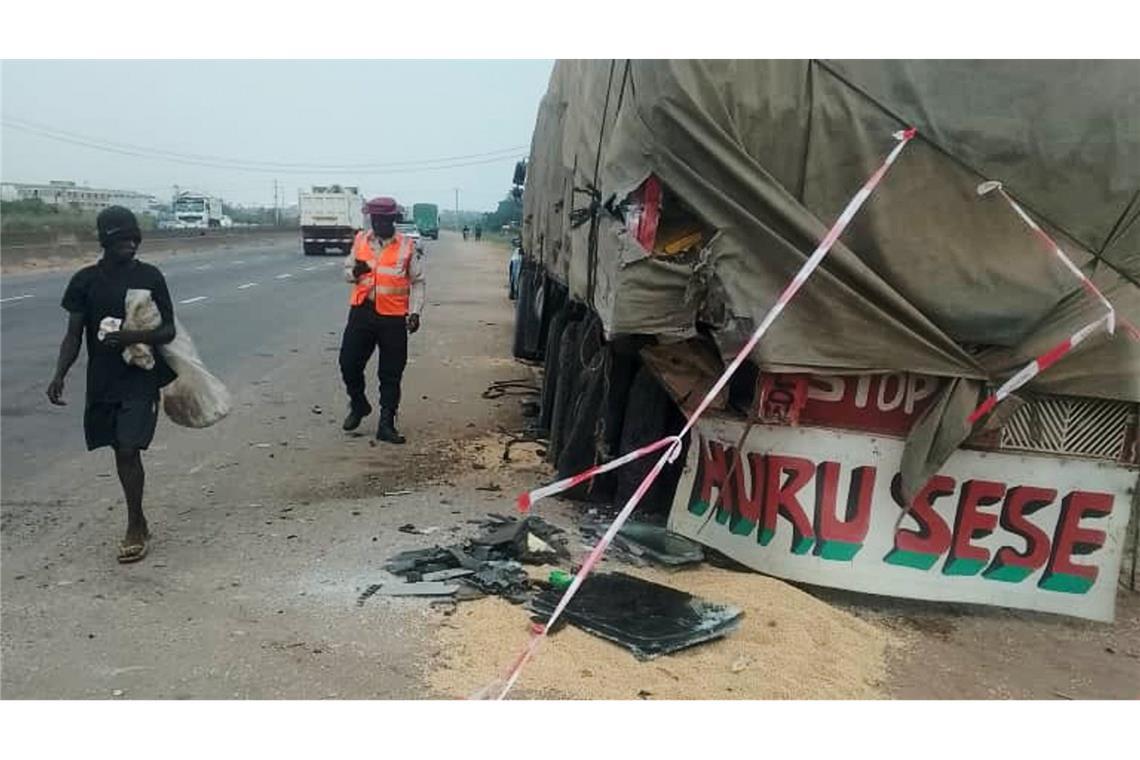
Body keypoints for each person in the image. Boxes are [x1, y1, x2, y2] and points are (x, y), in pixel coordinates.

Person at [47, 206, 177, 563]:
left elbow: (168, 330)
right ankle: (140, 520)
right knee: (118, 448)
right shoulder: (84, 281)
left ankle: (134, 525)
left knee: (128, 448)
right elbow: (73, 335)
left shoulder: (150, 276)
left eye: (135, 239)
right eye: (123, 240)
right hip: (103, 380)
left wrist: (132, 337)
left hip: (141, 376)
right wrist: (60, 373)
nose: (131, 245)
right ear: (105, 241)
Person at [339, 197, 426, 443]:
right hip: (362, 312)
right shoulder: (360, 240)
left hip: (393, 317)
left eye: (385, 220)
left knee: (391, 372)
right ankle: (359, 404)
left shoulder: (406, 246)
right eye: (375, 219)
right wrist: (354, 272)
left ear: (393, 220)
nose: (379, 224)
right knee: (348, 363)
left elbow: (418, 281)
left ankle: (386, 423)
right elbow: (347, 272)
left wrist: (415, 312)